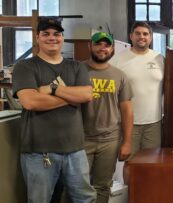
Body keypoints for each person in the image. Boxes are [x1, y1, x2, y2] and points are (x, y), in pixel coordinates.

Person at [12, 17, 96, 203]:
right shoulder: (25, 67)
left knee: (85, 198)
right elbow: (31, 102)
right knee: (40, 200)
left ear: (62, 38)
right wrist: (71, 97)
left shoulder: (76, 66)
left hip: (75, 149)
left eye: (57, 34)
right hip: (39, 152)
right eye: (46, 34)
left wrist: (53, 89)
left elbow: (87, 95)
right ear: (37, 38)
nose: (52, 38)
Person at [82, 32, 133, 203]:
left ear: (112, 49)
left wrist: (126, 142)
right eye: (98, 44)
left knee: (103, 186)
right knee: (76, 185)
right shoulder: (77, 70)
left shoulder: (119, 75)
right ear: (90, 46)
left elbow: (126, 110)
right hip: (81, 139)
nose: (102, 48)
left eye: (106, 45)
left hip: (109, 140)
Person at [110, 22, 164, 156]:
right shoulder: (118, 59)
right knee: (130, 164)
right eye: (138, 33)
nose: (142, 37)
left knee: (152, 164)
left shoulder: (159, 59)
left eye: (145, 34)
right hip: (127, 123)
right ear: (131, 36)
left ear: (150, 38)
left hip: (154, 123)